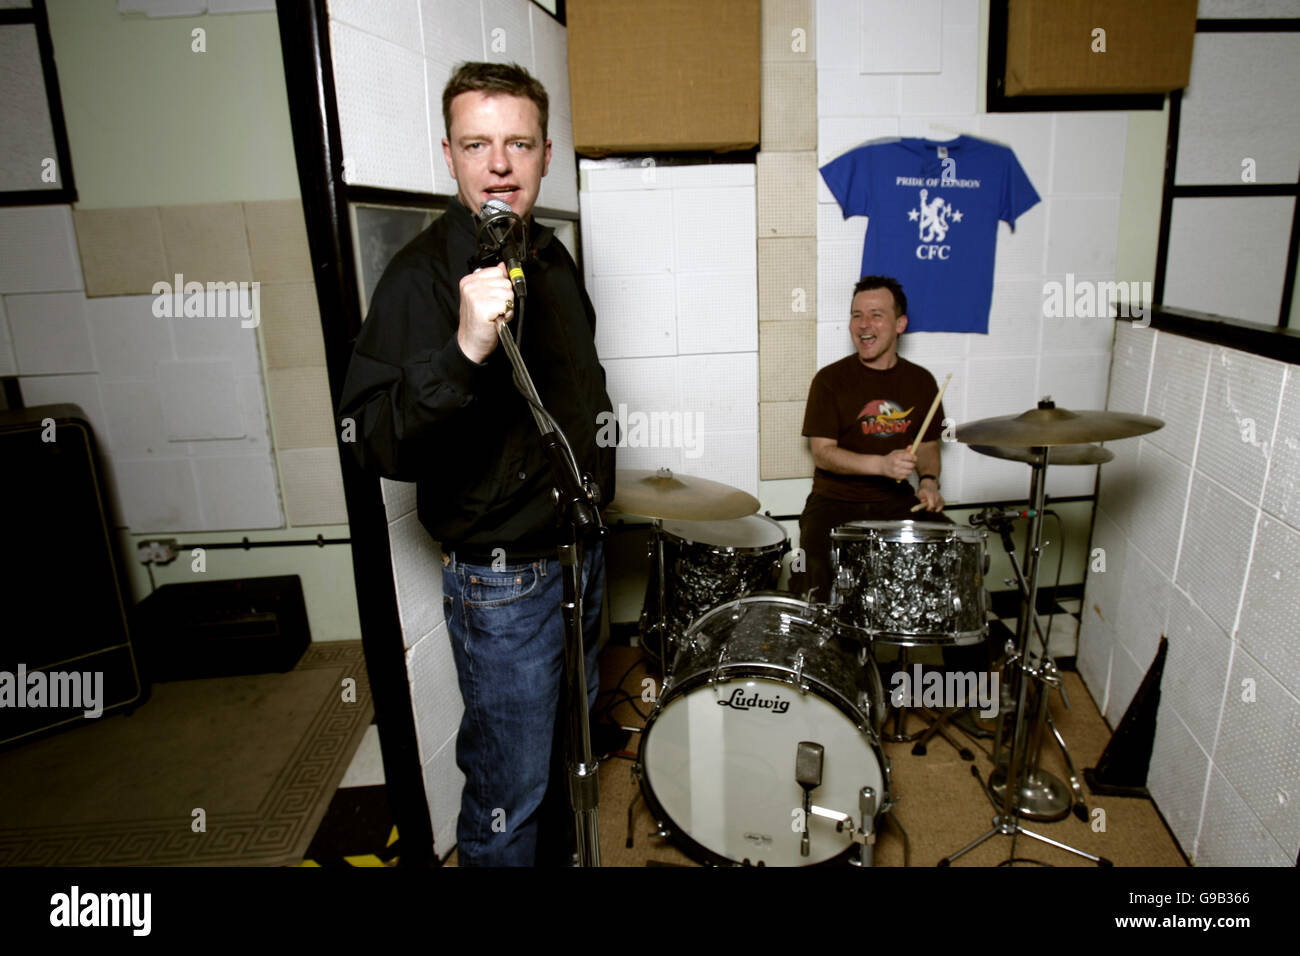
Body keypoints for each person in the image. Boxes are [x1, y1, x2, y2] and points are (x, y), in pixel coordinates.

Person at [336, 62, 615, 866]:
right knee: (508, 794)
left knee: (574, 759)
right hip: (505, 584)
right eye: (477, 144)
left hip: (580, 550)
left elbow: (576, 396)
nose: (499, 163)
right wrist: (463, 350)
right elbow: (370, 437)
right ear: (450, 157)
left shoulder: (553, 261)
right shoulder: (420, 278)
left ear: (545, 155)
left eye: (518, 143)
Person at [791, 275, 946, 604]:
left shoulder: (922, 382)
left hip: (896, 501)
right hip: (834, 501)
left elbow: (930, 445)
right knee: (810, 576)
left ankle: (967, 654)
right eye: (856, 315)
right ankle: (819, 651)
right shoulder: (829, 381)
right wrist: (881, 464)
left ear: (900, 323)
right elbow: (823, 453)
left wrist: (929, 482)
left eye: (876, 314)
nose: (864, 325)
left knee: (951, 558)